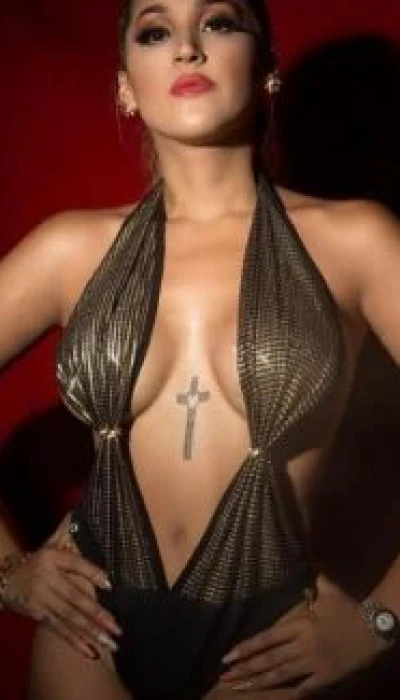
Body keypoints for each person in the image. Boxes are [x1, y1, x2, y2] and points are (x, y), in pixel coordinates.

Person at [1, 0, 400, 698]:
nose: (187, 47)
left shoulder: (355, 241)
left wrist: (379, 620)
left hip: (266, 645)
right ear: (126, 86)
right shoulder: (70, 249)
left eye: (218, 22)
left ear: (267, 68)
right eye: (155, 32)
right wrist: (9, 573)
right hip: (88, 637)